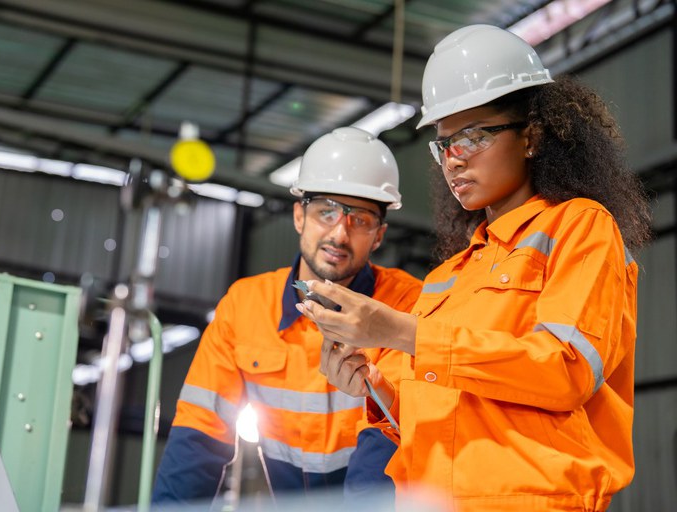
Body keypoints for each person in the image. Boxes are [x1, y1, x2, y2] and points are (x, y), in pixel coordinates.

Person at [298, 24, 651, 511]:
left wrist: (404, 333)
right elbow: (431, 410)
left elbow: (564, 371)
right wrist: (373, 385)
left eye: (474, 136)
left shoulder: (581, 227)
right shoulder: (450, 275)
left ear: (531, 136)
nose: (454, 160)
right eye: (444, 145)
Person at [151, 126, 423, 507]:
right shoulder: (244, 306)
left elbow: (384, 444)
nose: (339, 234)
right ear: (299, 216)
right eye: (325, 212)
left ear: (378, 236)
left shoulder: (407, 305)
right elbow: (199, 438)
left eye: (359, 219)